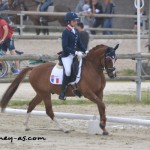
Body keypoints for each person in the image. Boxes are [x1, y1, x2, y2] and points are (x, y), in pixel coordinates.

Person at [59, 12, 88, 100]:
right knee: (68, 71)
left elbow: (79, 43)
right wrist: (75, 52)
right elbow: (65, 47)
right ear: (69, 21)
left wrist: (85, 50)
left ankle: (78, 88)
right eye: (74, 21)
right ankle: (62, 92)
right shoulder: (65, 32)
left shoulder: (75, 30)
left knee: (81, 68)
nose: (75, 22)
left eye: (76, 20)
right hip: (67, 55)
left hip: (75, 54)